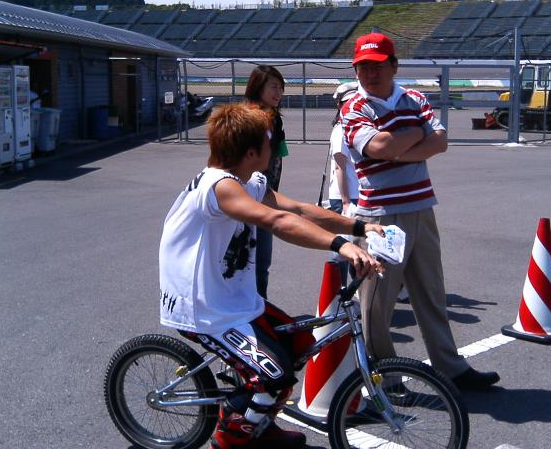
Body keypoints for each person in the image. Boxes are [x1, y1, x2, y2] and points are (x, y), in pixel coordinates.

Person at [159, 103, 384, 448]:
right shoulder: (219, 187)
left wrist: (359, 226)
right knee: (274, 374)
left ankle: (260, 425)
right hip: (203, 308)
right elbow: (278, 222)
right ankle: (231, 438)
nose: (275, 149)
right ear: (251, 153)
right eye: (270, 143)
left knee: (297, 347)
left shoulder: (248, 182)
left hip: (233, 299)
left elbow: (298, 210)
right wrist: (342, 246)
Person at [341, 31, 500, 391]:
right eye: (363, 67)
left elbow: (440, 142)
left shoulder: (414, 97)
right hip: (380, 218)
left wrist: (396, 149)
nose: (370, 73)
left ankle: (451, 367)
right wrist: (414, 134)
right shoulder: (354, 107)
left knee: (431, 294)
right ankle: (386, 380)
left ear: (394, 66)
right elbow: (378, 147)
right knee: (376, 305)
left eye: (377, 65)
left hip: (421, 208)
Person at [244, 65, 288, 299]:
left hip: (266, 195)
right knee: (252, 263)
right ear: (258, 87)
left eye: (281, 88)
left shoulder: (273, 119)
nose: (278, 92)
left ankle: (259, 307)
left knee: (261, 262)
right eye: (273, 87)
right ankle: (255, 310)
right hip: (249, 199)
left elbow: (278, 156)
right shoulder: (251, 119)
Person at [327, 82, 359, 216]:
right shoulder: (341, 129)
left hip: (354, 193)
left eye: (355, 102)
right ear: (339, 105)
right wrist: (346, 202)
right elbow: (339, 167)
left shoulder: (352, 126)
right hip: (348, 196)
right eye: (347, 102)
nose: (352, 106)